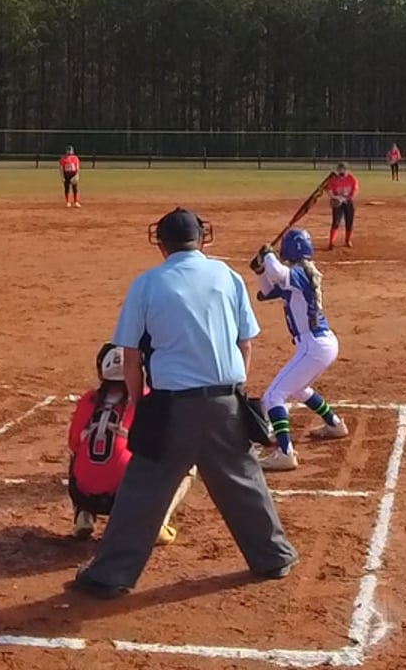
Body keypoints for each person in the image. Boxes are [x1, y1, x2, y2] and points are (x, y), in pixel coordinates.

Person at [67, 208, 297, 600]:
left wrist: (139, 403)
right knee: (242, 479)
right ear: (202, 239)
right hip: (224, 397)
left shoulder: (147, 283)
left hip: (171, 405)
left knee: (143, 487)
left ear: (161, 244)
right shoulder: (227, 276)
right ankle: (273, 557)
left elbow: (131, 356)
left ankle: (110, 575)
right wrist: (235, 392)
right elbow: (245, 343)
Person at [67, 343, 192, 544]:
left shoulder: (89, 399)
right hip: (126, 499)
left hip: (82, 494)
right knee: (185, 462)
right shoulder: (144, 399)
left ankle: (84, 515)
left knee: (78, 453)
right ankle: (157, 524)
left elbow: (73, 443)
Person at [249, 230, 347, 472]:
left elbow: (277, 273)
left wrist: (268, 255)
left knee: (273, 396)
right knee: (298, 388)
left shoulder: (301, 273)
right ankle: (334, 424)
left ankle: (285, 453)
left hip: (313, 346)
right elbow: (265, 292)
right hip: (319, 344)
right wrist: (261, 270)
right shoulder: (298, 275)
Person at [325, 162, 358, 248]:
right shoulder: (333, 179)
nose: (342, 172)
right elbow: (328, 190)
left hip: (348, 201)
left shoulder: (351, 179)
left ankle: (348, 240)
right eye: (340, 170)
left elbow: (354, 190)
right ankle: (331, 242)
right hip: (337, 202)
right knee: (336, 222)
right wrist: (335, 197)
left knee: (349, 222)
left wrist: (347, 198)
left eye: (344, 170)